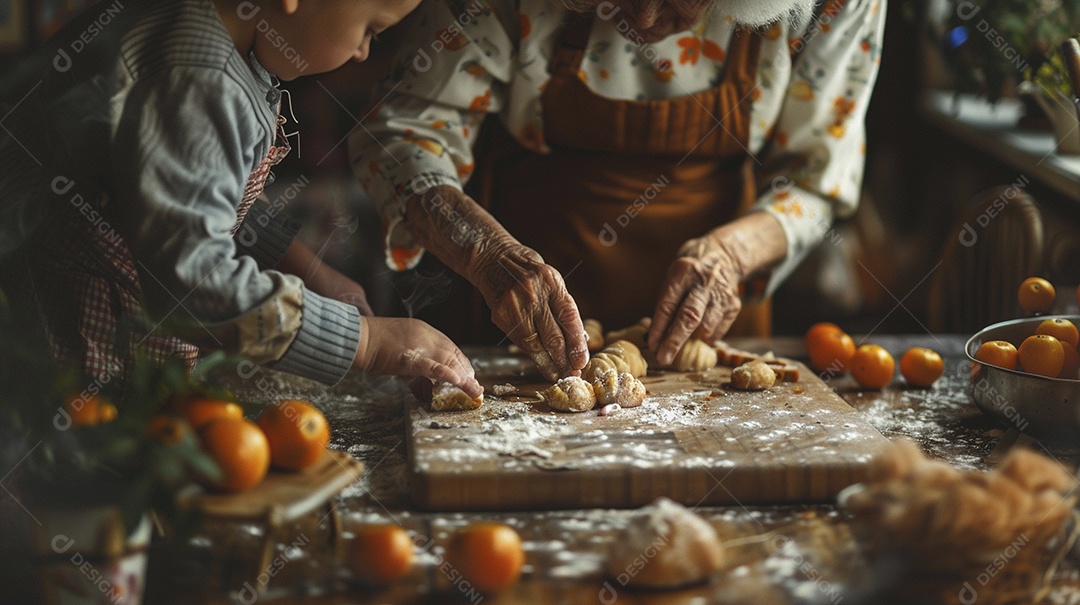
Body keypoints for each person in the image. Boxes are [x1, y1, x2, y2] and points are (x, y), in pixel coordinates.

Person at [350, 0, 885, 381]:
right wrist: (487, 252)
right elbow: (402, 133)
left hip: (716, 337)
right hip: (509, 326)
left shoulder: (832, 4)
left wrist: (730, 254)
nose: (645, 19)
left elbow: (817, 177)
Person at [0, 0, 482, 397]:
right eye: (370, 29)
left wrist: (308, 268)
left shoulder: (226, 43)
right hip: (64, 355)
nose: (362, 52)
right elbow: (188, 284)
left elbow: (203, 200)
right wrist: (371, 344)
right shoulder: (197, 75)